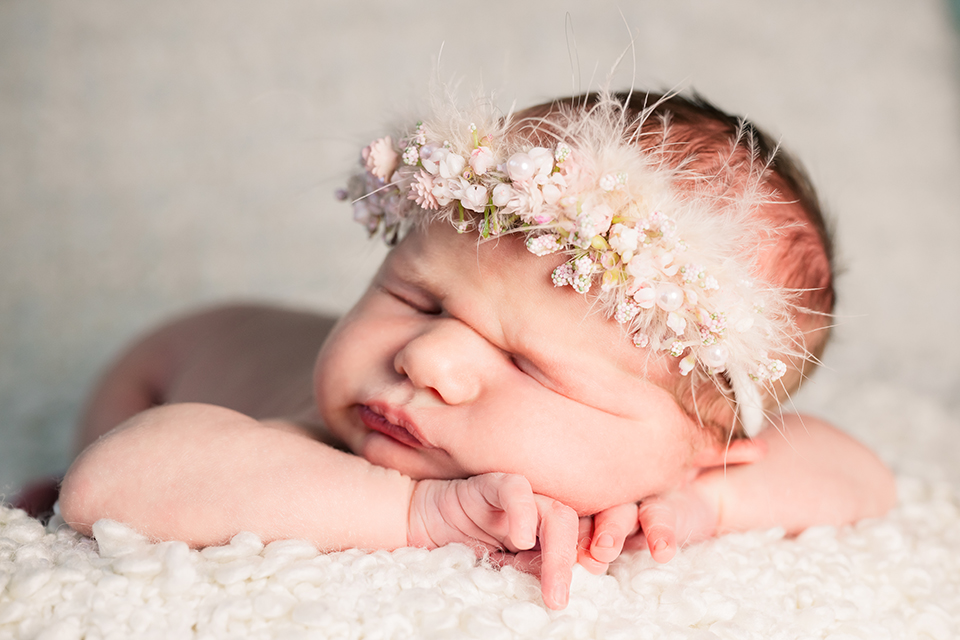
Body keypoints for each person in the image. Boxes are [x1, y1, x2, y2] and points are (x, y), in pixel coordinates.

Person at [55, 90, 895, 610]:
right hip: (158, 371)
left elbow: (861, 476)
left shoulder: (690, 466)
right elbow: (112, 481)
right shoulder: (324, 435)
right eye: (417, 298)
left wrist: (700, 504)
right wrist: (417, 514)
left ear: (703, 450)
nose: (427, 360)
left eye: (528, 365)